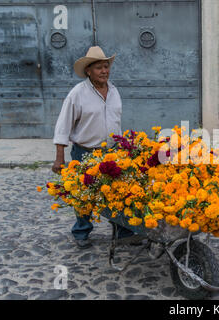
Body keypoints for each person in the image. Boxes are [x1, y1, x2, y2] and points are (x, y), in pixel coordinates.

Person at [52, 46, 134, 249]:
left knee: (117, 192)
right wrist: (59, 156)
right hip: (85, 152)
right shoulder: (77, 94)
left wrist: (123, 147)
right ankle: (81, 231)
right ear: (88, 70)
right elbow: (63, 125)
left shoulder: (114, 91)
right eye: (99, 67)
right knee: (84, 194)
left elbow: (116, 122)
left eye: (106, 66)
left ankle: (122, 231)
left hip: (112, 152)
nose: (104, 71)